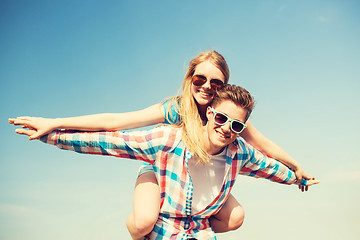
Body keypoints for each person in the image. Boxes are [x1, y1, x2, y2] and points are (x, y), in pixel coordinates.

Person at [9, 51, 313, 239]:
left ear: (224, 87)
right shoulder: (175, 111)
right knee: (144, 221)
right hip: (159, 168)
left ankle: (190, 225)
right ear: (190, 79)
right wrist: (55, 123)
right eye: (200, 79)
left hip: (204, 177)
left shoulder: (230, 118)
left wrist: (296, 168)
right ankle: (145, 233)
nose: (207, 87)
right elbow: (116, 124)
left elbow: (263, 150)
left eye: (216, 82)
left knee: (235, 217)